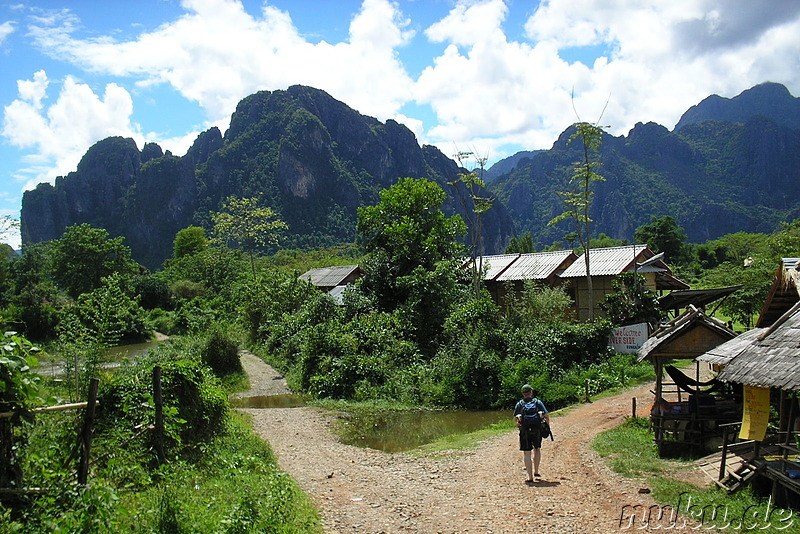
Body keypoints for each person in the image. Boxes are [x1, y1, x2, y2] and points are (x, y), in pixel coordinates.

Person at [513, 384, 550, 485]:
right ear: (531, 392)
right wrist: (546, 427)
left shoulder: (519, 404)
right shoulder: (538, 402)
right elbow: (546, 416)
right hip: (537, 429)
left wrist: (520, 425)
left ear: (523, 393)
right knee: (537, 449)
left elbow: (516, 420)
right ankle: (536, 471)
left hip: (524, 430)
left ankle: (530, 477)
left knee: (527, 453)